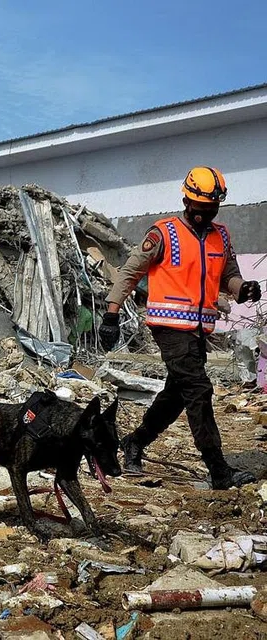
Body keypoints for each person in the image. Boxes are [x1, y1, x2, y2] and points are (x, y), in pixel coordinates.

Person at [99, 166, 261, 489]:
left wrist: (242, 289)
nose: (207, 213)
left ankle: (135, 441)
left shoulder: (221, 235)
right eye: (202, 207)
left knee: (176, 396)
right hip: (169, 327)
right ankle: (219, 471)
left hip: (199, 329)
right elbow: (130, 272)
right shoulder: (163, 233)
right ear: (187, 201)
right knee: (198, 390)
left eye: (212, 207)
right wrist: (111, 313)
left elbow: (228, 275)